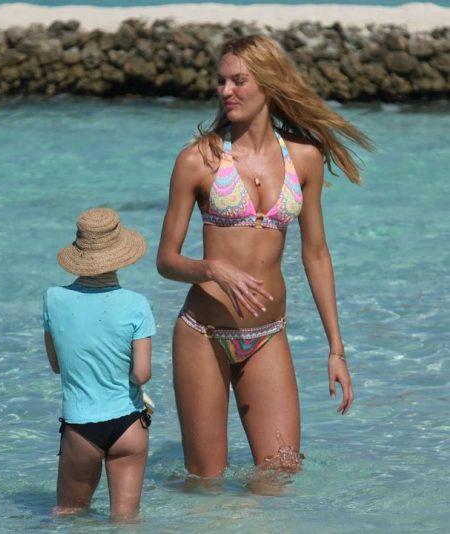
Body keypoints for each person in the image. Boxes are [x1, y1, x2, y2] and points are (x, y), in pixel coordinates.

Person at [156, 35, 372, 479]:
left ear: (268, 83)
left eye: (239, 80)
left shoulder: (304, 158)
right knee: (207, 485)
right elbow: (166, 260)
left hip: (268, 335)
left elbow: (316, 254)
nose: (226, 91)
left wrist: (337, 349)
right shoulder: (199, 161)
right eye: (221, 82)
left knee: (281, 474)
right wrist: (211, 267)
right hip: (203, 335)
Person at [43, 207, 155, 520]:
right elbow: (141, 373)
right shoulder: (136, 304)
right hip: (129, 426)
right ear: (121, 254)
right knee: (125, 522)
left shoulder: (53, 298)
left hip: (81, 429)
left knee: (69, 516)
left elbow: (57, 365)